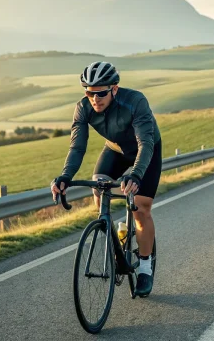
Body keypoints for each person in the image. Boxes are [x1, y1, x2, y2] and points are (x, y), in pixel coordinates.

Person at [51, 61, 162, 297]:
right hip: (115, 149)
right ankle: (114, 237)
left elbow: (145, 143)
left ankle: (144, 268)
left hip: (146, 151)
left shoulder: (135, 101)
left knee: (141, 208)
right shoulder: (83, 108)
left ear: (114, 88)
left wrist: (136, 174)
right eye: (89, 93)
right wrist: (65, 176)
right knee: (99, 185)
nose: (95, 98)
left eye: (100, 93)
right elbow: (77, 147)